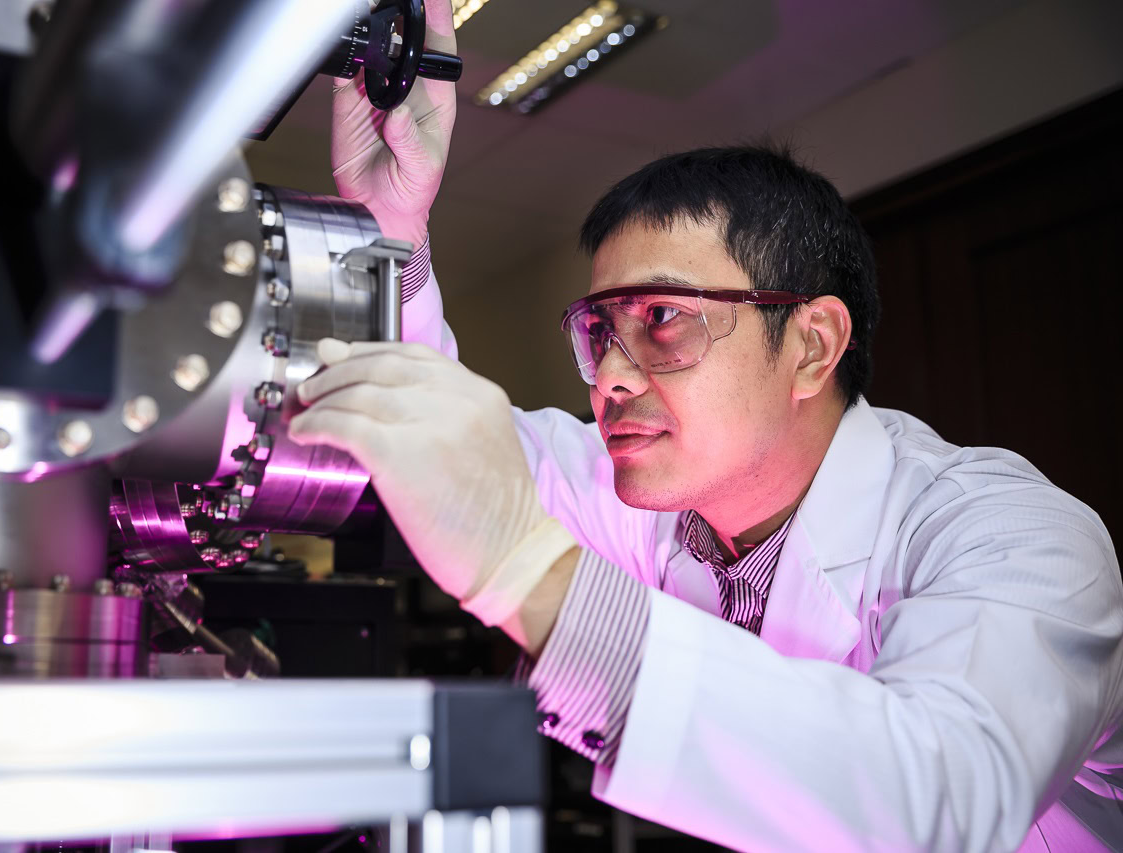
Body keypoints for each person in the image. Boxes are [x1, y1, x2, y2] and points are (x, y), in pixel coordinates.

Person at [292, 2, 1123, 849]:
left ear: (812, 344)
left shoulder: (1011, 535)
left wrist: (528, 571)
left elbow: (941, 801)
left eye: (662, 316)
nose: (611, 374)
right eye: (601, 330)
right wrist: (389, 227)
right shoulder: (659, 504)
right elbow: (442, 441)